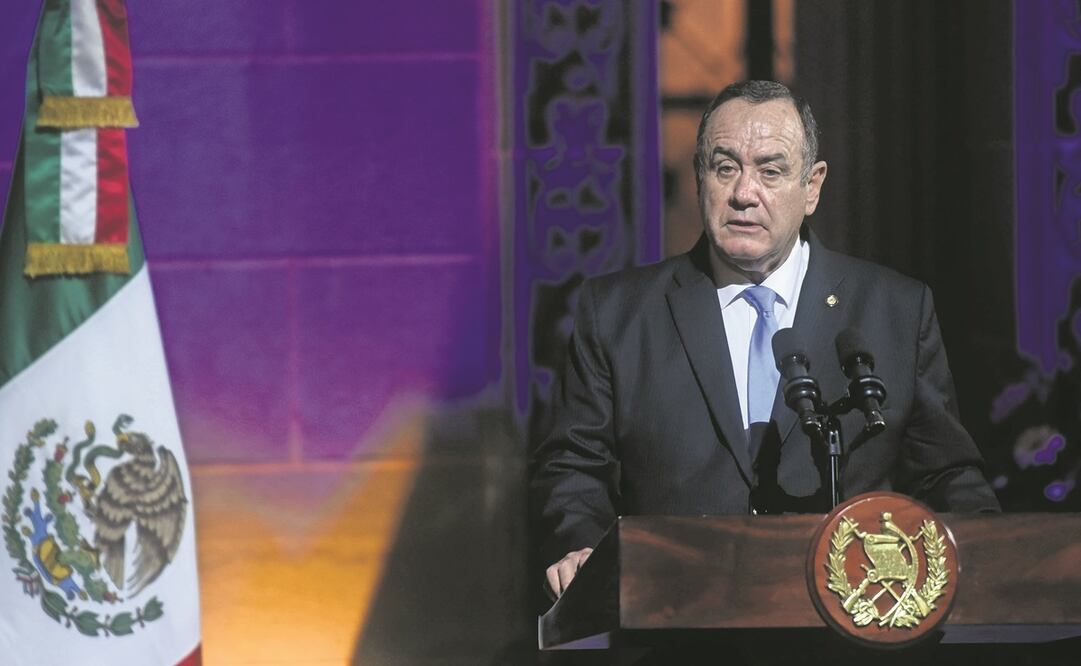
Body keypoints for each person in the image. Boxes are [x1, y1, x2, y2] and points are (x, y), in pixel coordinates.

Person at [529, 80, 999, 600]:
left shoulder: (895, 309)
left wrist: (992, 559)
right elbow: (573, 467)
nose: (743, 193)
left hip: (847, 630)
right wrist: (586, 549)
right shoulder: (618, 313)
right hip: (674, 618)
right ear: (700, 177)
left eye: (770, 171)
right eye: (725, 167)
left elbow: (945, 475)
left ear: (812, 186)